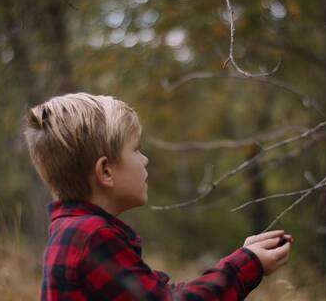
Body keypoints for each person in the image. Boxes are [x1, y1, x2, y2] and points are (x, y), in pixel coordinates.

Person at [23, 92, 293, 300]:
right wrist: (247, 265)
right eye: (136, 150)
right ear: (105, 171)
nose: (145, 159)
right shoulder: (94, 238)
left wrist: (246, 255)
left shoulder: (70, 232)